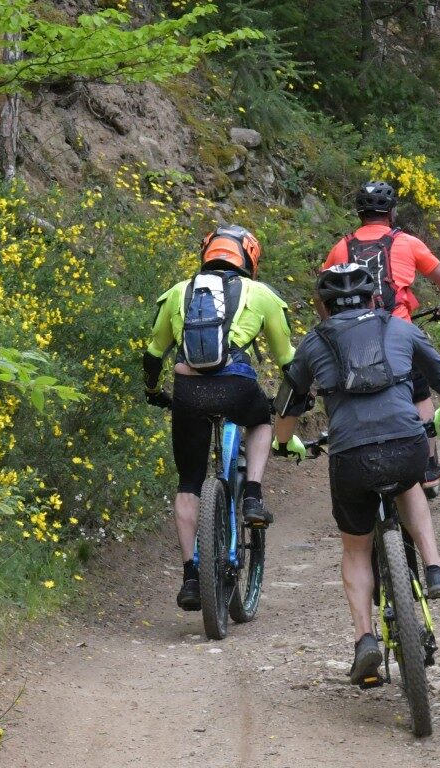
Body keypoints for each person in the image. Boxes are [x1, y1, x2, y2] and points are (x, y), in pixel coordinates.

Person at [272, 263, 440, 685]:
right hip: (406, 445)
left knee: (357, 549)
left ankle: (364, 639)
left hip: (351, 457)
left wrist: (283, 443)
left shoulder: (314, 342)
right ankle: (434, 568)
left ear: (324, 307)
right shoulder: (401, 328)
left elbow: (287, 405)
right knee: (411, 483)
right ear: (374, 298)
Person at [142, 225, 295, 612]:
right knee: (261, 420)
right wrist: (296, 398)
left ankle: (191, 577)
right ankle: (253, 496)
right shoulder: (260, 294)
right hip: (236, 388)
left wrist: (153, 390)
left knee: (188, 483)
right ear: (250, 259)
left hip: (188, 392)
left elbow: (154, 352)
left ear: (206, 254)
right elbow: (287, 360)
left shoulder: (179, 292)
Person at [321, 181, 440, 486]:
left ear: (359, 214)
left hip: (352, 336)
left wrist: (331, 324)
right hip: (397, 331)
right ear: (391, 212)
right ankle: (428, 467)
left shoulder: (341, 248)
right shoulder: (407, 243)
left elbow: (320, 293)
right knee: (419, 392)